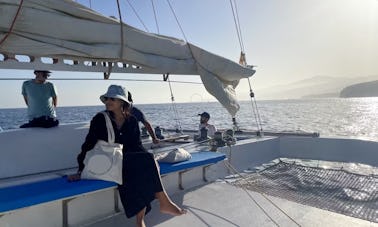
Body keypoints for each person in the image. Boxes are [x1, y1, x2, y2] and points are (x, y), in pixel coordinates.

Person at [67, 85, 186, 227]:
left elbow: (137, 146)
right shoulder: (100, 119)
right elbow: (88, 144)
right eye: (107, 99)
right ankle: (162, 202)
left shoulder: (132, 121)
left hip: (127, 162)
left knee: (143, 165)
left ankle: (141, 219)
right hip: (110, 161)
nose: (108, 101)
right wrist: (81, 170)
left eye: (113, 99)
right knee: (140, 167)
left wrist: (148, 161)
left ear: (122, 102)